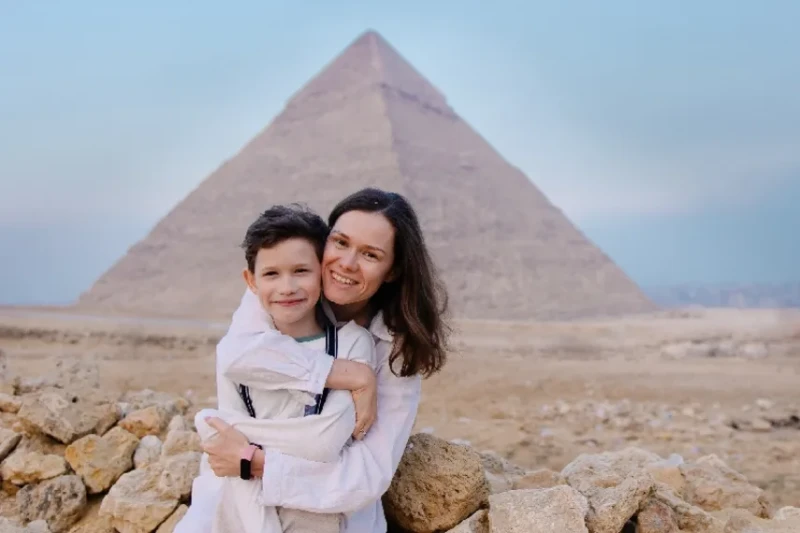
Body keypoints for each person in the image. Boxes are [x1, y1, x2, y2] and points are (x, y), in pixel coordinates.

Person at [181, 188, 450, 533]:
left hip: (324, 516)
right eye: (340, 242)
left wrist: (255, 460)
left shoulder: (394, 352)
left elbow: (365, 472)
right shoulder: (284, 291)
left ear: (393, 270)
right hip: (234, 506)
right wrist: (349, 375)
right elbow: (236, 355)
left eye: (370, 254)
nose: (347, 263)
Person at [191, 204, 377, 533]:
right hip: (245, 512)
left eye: (301, 271)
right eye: (271, 274)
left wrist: (242, 445)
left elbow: (322, 444)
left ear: (322, 272)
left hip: (317, 511)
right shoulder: (240, 352)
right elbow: (232, 462)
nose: (287, 287)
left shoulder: (352, 345)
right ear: (250, 281)